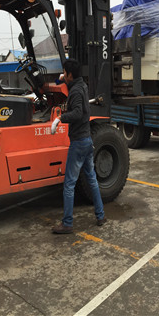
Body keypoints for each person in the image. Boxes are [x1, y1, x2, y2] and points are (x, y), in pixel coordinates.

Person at [51, 59, 106, 234]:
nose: (63, 74)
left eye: (64, 72)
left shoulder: (75, 91)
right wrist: (61, 79)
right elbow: (80, 106)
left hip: (79, 143)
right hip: (87, 140)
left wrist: (60, 118)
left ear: (70, 74)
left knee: (69, 184)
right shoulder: (82, 85)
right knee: (92, 179)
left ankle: (67, 223)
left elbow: (77, 113)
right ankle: (100, 215)